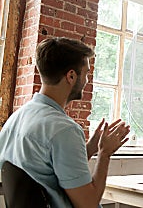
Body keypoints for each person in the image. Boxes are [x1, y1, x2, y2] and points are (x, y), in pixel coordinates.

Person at [0, 37, 130, 208]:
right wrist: (105, 154)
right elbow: (89, 204)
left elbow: (48, 171)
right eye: (86, 73)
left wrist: (91, 148)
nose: (87, 80)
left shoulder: (15, 119)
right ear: (71, 76)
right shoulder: (64, 130)